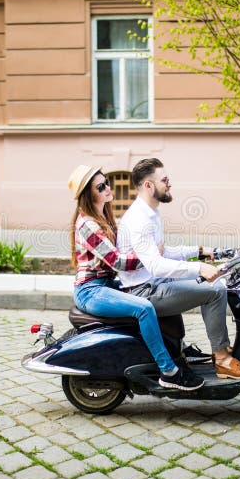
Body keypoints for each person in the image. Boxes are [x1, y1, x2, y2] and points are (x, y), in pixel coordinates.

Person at [117, 158, 240, 380]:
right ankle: (222, 359)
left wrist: (202, 251)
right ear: (148, 186)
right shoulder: (139, 220)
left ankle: (211, 349)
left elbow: (162, 253)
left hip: (154, 282)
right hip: (144, 291)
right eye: (164, 180)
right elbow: (156, 265)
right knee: (215, 291)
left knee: (215, 285)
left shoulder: (151, 213)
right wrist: (198, 268)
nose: (169, 184)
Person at [68, 164, 204, 390]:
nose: (107, 189)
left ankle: (176, 349)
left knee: (164, 284)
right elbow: (118, 261)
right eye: (100, 187)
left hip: (107, 284)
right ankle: (169, 371)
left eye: (106, 183)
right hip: (91, 290)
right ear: (87, 195)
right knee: (144, 308)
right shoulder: (88, 225)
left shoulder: (104, 216)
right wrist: (150, 255)